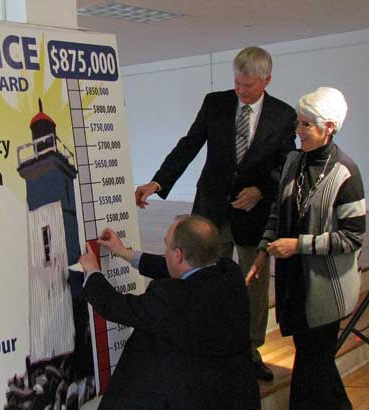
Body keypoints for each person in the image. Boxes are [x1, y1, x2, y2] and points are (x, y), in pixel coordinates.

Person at [135, 46, 297, 381]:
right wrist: (158, 181)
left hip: (254, 215)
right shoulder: (216, 103)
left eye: (248, 86)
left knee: (253, 284)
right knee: (201, 277)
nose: (241, 91)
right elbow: (189, 145)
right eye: (237, 83)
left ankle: (250, 350)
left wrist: (261, 191)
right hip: (211, 210)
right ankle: (201, 340)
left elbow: (286, 165)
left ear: (266, 80)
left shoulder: (283, 115)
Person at [246, 87, 365, 410]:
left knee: (313, 364)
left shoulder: (346, 173)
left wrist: (299, 245)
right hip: (294, 284)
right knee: (315, 363)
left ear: (329, 127)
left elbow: (353, 237)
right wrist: (262, 249)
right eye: (298, 123)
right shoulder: (293, 162)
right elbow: (276, 212)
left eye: (306, 125)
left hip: (327, 291)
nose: (298, 132)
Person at [79, 216, 260, 410]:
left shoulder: (172, 298)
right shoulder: (230, 273)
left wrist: (92, 272)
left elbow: (117, 307)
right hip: (237, 394)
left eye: (166, 246)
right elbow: (180, 268)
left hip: (194, 397)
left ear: (178, 255)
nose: (165, 253)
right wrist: (125, 253)